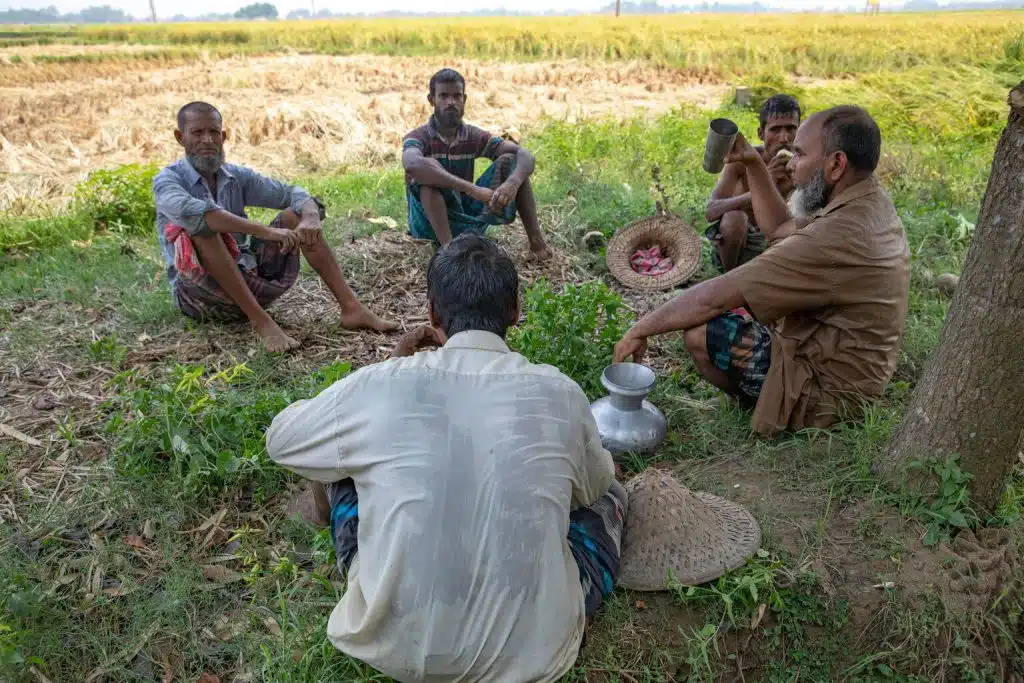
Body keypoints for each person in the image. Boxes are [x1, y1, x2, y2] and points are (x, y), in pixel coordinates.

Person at [266, 233, 625, 682]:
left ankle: (335, 525)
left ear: (433, 313)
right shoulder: (559, 393)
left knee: (342, 456)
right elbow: (589, 491)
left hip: (395, 646)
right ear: (515, 310)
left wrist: (386, 369)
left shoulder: (381, 386)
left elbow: (282, 440)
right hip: (533, 656)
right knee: (611, 495)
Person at [615, 106, 910, 436]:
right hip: (855, 378)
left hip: (828, 397)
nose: (791, 162)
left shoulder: (835, 235)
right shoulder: (865, 201)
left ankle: (774, 408)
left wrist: (641, 328)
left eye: (799, 153)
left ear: (836, 164)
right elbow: (782, 227)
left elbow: (713, 298)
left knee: (702, 330)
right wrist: (753, 163)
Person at [153, 101, 397, 352]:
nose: (207, 139)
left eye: (214, 132)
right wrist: (266, 231)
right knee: (202, 230)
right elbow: (202, 215)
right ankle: (261, 323)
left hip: (247, 279)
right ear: (180, 138)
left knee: (295, 216)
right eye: (197, 132)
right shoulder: (168, 181)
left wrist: (311, 218)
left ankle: (352, 308)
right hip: (200, 296)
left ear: (223, 137)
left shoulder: (236, 176)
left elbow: (293, 193)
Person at [401, 68, 552, 260]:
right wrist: (472, 189)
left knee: (512, 163)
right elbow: (413, 165)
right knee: (429, 173)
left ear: (464, 99)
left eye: (457, 96)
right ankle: (449, 254)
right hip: (428, 224)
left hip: (465, 216)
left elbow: (525, 156)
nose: (451, 102)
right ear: (431, 100)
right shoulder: (418, 137)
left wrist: (512, 183)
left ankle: (538, 246)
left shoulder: (473, 136)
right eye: (444, 96)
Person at [704, 94, 801, 272]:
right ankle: (729, 278)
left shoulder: (804, 165)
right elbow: (711, 211)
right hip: (742, 246)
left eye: (790, 129)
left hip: (782, 246)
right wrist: (764, 184)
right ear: (761, 133)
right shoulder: (743, 161)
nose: (784, 138)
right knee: (735, 219)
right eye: (775, 130)